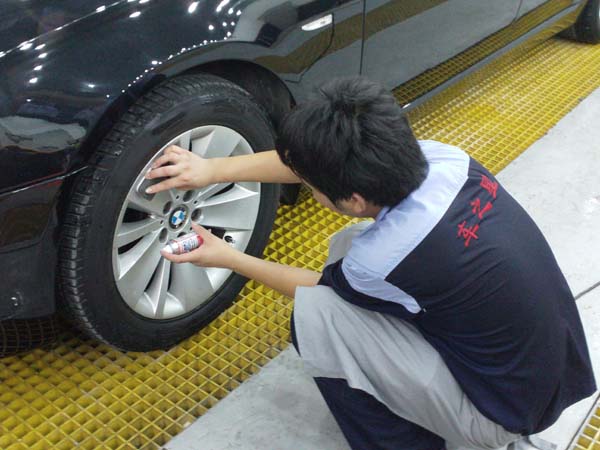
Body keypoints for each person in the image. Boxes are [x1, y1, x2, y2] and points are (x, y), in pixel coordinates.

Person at [145, 77, 596, 450]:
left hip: (500, 413)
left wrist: (228, 257)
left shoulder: (387, 258)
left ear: (354, 200)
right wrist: (212, 170)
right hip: (549, 372)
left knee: (318, 317)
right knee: (350, 244)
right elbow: (314, 163)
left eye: (313, 188)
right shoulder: (446, 160)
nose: (309, 189)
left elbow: (317, 289)